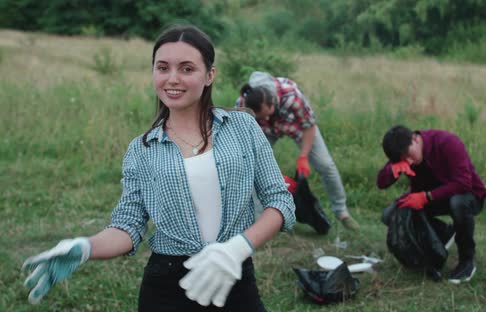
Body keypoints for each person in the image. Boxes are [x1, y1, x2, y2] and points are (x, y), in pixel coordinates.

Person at [21, 24, 295, 311]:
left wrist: (237, 248)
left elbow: (279, 200)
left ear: (209, 75)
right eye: (162, 68)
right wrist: (86, 248)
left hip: (234, 276)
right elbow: (128, 227)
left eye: (187, 69)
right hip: (166, 286)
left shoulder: (243, 127)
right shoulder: (141, 150)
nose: (172, 79)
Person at [235, 71, 359, 231]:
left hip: (299, 128)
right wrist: (264, 167)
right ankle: (258, 219)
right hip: (266, 132)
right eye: (261, 118)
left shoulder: (292, 97)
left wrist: (303, 157)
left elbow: (309, 126)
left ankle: (342, 212)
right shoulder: (242, 105)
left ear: (273, 102)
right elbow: (243, 137)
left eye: (267, 115)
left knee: (326, 165)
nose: (265, 119)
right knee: (250, 167)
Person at [377, 125, 486, 284]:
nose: (409, 161)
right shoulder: (400, 150)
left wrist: (426, 197)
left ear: (415, 139)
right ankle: (444, 233)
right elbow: (380, 183)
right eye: (402, 159)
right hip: (434, 196)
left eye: (409, 155)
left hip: (469, 194)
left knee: (458, 203)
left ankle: (467, 261)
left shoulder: (448, 142)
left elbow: (463, 182)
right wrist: (391, 171)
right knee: (390, 214)